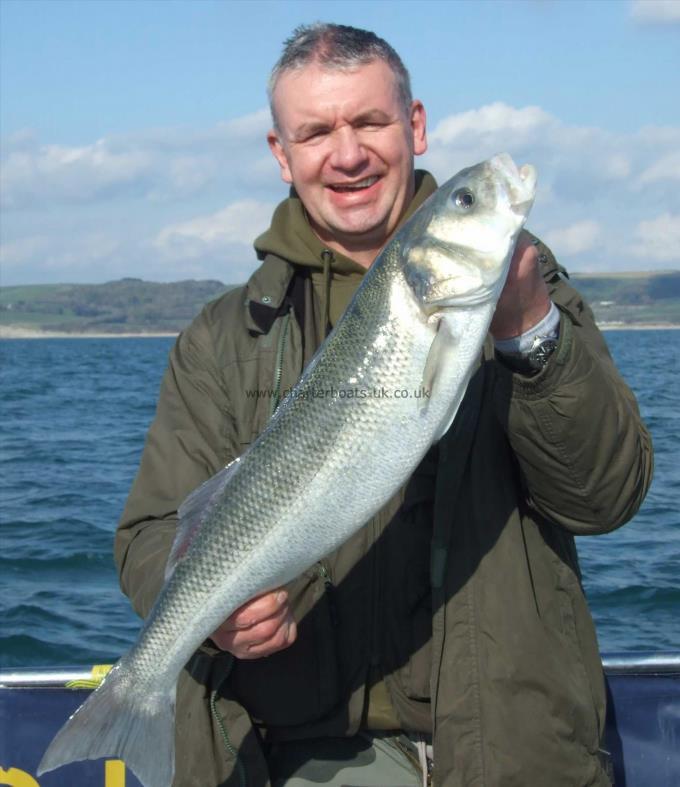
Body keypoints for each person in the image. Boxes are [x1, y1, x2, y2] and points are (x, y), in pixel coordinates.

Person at [115, 23, 653, 787]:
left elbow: (607, 496)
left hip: (508, 752)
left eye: (369, 121)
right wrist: (219, 618)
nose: (347, 153)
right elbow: (148, 535)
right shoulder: (223, 338)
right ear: (281, 154)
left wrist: (530, 334)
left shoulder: (532, 293)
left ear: (415, 126)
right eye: (315, 132)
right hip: (295, 754)